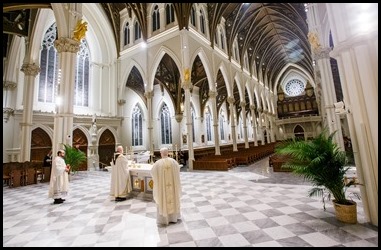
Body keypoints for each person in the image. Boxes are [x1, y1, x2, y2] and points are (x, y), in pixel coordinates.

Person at [150, 147, 182, 226]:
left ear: (161, 154)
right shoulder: (174, 162)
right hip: (173, 188)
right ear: (168, 153)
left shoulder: (158, 163)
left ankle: (165, 219)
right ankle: (173, 218)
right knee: (173, 198)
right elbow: (178, 172)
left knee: (163, 199)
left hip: (163, 188)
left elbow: (152, 173)